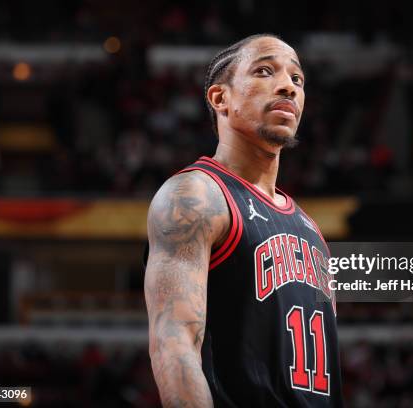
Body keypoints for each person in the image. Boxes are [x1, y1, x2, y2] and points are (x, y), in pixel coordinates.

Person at [144, 33, 343, 407]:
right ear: (221, 98)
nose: (288, 86)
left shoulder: (311, 228)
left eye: (297, 79)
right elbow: (175, 344)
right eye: (265, 71)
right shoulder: (196, 196)